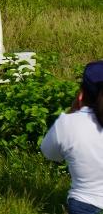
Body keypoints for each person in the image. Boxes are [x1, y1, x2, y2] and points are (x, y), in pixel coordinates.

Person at [42, 60, 103, 214]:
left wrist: (72, 112)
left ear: (81, 95)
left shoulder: (67, 123)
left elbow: (50, 154)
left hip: (85, 205)